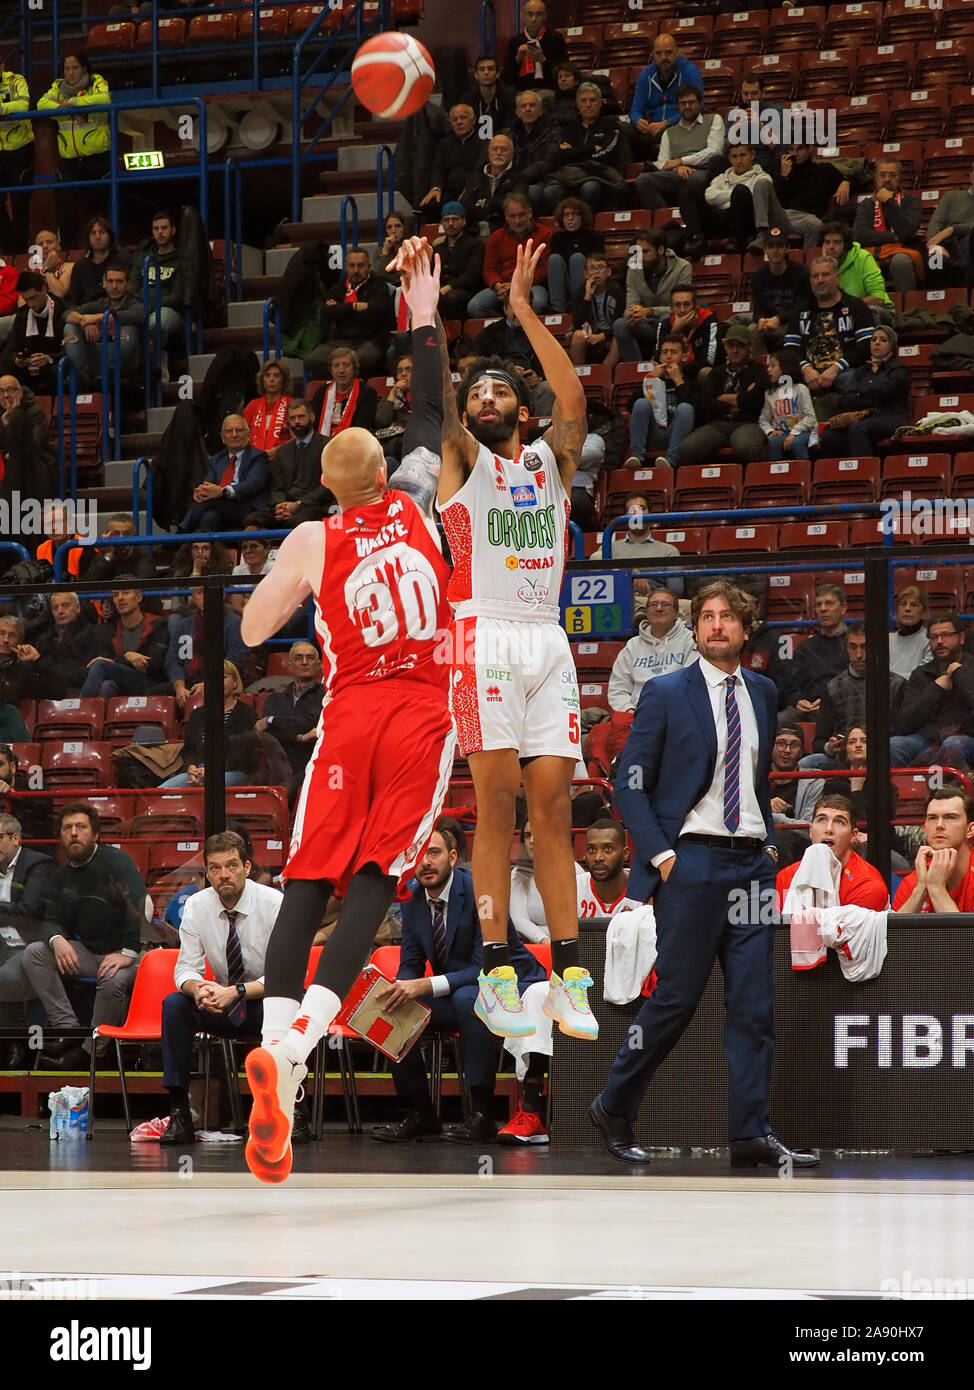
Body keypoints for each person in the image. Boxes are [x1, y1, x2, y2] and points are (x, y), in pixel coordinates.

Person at [235, 239, 457, 1184]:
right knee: (379, 877)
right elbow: (433, 413)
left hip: (346, 712)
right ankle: (294, 1051)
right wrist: (423, 317)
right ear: (387, 470)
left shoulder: (313, 536)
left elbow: (249, 632)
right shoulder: (416, 501)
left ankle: (276, 1051)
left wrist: (288, 579)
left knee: (310, 880)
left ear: (329, 483)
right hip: (420, 709)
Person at [593, 581, 818, 1170]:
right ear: (696, 631)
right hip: (691, 862)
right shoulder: (667, 691)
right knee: (675, 1001)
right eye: (707, 618)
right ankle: (614, 1103)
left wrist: (769, 842)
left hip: (750, 868)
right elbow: (629, 784)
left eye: (727, 618)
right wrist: (664, 857)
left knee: (753, 1007)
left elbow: (758, 779)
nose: (715, 626)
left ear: (747, 630)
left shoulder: (765, 692)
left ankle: (750, 1131)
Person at [437, 234, 598, 1045]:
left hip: (545, 638)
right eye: (478, 392)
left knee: (555, 812)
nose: (488, 395)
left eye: (501, 388)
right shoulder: (463, 462)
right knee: (495, 806)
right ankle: (498, 970)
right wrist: (430, 319)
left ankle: (568, 972)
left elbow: (573, 400)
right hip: (481, 636)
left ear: (519, 411)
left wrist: (526, 311)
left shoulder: (550, 463)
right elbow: (442, 394)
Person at [370, 828, 548, 1145]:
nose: (425, 862)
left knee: (470, 999)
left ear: (453, 857)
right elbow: (411, 962)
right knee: (391, 1009)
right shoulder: (411, 898)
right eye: (420, 855)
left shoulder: (481, 892)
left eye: (434, 852)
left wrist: (425, 984)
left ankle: (481, 1114)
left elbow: (487, 967)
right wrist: (401, 986)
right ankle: (421, 1113)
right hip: (456, 990)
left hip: (511, 983)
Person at [0, 802, 145, 1071]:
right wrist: (57, 940)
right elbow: (51, 919)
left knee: (112, 980)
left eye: (81, 827)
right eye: (67, 828)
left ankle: (91, 1052)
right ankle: (68, 1029)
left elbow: (140, 909)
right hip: (91, 951)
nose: (74, 833)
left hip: (134, 954)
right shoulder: (62, 874)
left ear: (96, 834)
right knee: (35, 953)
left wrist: (127, 953)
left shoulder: (116, 862)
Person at [160, 831, 282, 1145]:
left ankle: (292, 1112)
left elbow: (286, 975)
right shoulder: (197, 906)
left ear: (247, 867)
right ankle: (180, 1114)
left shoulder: (274, 904)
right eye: (215, 868)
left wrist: (238, 991)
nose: (223, 874)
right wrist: (198, 990)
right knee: (175, 1005)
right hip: (221, 1002)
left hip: (265, 1002)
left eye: (231, 866)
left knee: (292, 1005)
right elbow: (186, 968)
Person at [799, 622, 904, 773]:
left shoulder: (896, 684)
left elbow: (900, 733)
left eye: (865, 647)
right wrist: (830, 747)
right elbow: (820, 740)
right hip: (843, 757)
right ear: (846, 648)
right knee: (807, 763)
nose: (859, 654)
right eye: (853, 647)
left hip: (883, 756)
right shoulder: (833, 687)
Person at [783, 257, 874, 417]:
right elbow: (790, 349)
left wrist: (836, 368)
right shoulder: (800, 311)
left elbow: (866, 346)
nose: (820, 280)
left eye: (825, 275)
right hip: (808, 378)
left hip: (845, 374)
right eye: (815, 276)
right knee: (783, 380)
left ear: (837, 278)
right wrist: (806, 368)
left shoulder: (856, 307)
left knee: (856, 379)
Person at [37, 52, 110, 246]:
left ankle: (102, 249)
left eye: (75, 68)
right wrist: (67, 111)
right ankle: (68, 250)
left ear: (84, 68)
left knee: (98, 209)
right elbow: (41, 104)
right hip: (69, 161)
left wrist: (75, 103)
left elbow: (104, 100)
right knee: (65, 206)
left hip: (96, 158)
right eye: (67, 68)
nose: (70, 73)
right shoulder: (58, 87)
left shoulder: (96, 82)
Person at [0, 814, 55, 1069]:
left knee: (4, 978)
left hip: (31, 945)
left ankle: (17, 1043)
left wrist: (14, 911)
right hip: (2, 944)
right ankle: (13, 1043)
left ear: (15, 838)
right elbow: (17, 910)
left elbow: (29, 910)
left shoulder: (38, 863)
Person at [776, 793, 890, 911]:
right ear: (810, 831)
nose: (829, 829)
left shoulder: (868, 886)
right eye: (822, 820)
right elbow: (773, 927)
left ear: (853, 835)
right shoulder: (786, 877)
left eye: (839, 822)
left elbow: (843, 930)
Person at [892, 613, 974, 770]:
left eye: (946, 635)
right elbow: (904, 723)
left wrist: (960, 674)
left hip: (967, 737)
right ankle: (894, 794)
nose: (940, 642)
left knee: (952, 744)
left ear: (961, 638)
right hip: (928, 739)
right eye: (934, 637)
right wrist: (936, 688)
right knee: (895, 745)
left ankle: (960, 793)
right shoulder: (921, 674)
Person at [678, 324, 768, 464]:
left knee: (747, 447)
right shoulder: (716, 372)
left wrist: (724, 398)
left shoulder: (760, 370)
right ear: (725, 346)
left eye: (740, 346)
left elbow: (756, 400)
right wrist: (736, 402)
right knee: (687, 449)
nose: (735, 350)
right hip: (717, 424)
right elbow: (706, 403)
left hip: (747, 422)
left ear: (750, 346)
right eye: (731, 346)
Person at [816, 324, 910, 457]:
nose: (877, 343)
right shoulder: (862, 370)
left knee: (858, 429)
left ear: (892, 346)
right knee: (829, 436)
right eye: (874, 339)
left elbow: (881, 394)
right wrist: (862, 404)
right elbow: (847, 398)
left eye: (883, 340)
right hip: (862, 418)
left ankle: (861, 473)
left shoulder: (899, 370)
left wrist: (860, 398)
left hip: (890, 417)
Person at [160, 660, 256, 789]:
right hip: (198, 770)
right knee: (161, 792)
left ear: (235, 683)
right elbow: (189, 749)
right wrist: (192, 767)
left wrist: (212, 770)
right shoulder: (198, 714)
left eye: (223, 677)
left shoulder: (247, 713)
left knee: (209, 785)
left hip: (232, 770)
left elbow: (244, 752)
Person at [684, 145, 790, 259]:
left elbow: (752, 196)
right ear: (729, 158)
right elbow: (709, 196)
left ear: (752, 155)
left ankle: (735, 240)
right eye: (734, 156)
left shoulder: (763, 178)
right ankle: (697, 239)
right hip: (720, 219)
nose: (739, 160)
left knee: (741, 191)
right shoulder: (722, 177)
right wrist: (733, 196)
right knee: (686, 191)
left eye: (743, 155)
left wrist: (726, 196)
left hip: (744, 223)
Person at [634, 84, 724, 215]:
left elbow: (715, 151)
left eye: (691, 102)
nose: (687, 106)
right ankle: (665, 219)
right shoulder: (669, 132)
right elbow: (662, 163)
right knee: (643, 180)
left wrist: (682, 161)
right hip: (677, 173)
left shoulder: (713, 119)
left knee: (694, 180)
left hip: (705, 171)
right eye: (683, 103)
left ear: (700, 103)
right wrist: (678, 167)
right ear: (678, 106)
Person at [542, 82, 627, 216]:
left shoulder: (610, 125)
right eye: (583, 101)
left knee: (590, 188)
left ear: (600, 103)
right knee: (550, 192)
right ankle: (568, 226)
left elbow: (608, 155)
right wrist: (591, 149)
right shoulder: (569, 128)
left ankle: (586, 224)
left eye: (592, 100)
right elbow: (559, 156)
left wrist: (574, 152)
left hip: (599, 175)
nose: (588, 105)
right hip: (571, 176)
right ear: (578, 105)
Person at [608, 588, 698, 713]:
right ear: (647, 612)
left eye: (665, 604)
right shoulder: (632, 645)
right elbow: (617, 688)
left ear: (676, 612)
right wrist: (629, 711)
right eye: (654, 604)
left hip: (677, 714)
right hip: (637, 715)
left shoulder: (689, 641)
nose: (659, 608)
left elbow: (692, 684)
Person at [165, 585, 250, 713]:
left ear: (222, 595)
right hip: (188, 682)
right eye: (200, 592)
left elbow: (236, 660)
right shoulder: (182, 625)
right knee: (153, 693)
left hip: (221, 681)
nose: (205, 597)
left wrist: (209, 684)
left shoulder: (235, 623)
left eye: (209, 592)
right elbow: (172, 660)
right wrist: (179, 686)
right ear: (193, 597)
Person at [179, 413, 270, 532]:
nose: (234, 435)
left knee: (206, 504)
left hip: (247, 506)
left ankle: (180, 535)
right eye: (229, 431)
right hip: (220, 507)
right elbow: (208, 483)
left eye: (239, 430)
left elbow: (253, 484)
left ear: (248, 435)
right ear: (222, 437)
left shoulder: (258, 456)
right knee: (209, 517)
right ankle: (205, 549)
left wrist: (223, 491)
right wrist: (202, 492)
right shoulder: (217, 459)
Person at [612, 230, 692, 364]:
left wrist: (650, 311)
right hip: (647, 324)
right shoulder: (634, 269)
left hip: (674, 323)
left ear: (660, 250)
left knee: (665, 319)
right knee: (620, 324)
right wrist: (633, 314)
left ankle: (664, 363)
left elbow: (682, 308)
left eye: (646, 252)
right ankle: (636, 369)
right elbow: (630, 305)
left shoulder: (682, 267)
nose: (640, 257)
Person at [62, 259, 145, 389]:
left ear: (127, 285)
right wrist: (84, 322)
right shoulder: (100, 303)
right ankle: (80, 376)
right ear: (104, 283)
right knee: (70, 327)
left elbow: (138, 315)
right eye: (110, 281)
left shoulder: (133, 303)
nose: (114, 286)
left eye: (119, 282)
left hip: (124, 364)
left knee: (128, 328)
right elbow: (67, 314)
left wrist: (97, 318)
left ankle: (108, 375)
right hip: (97, 359)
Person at [311, 248, 393, 379]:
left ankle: (355, 389)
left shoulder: (379, 287)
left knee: (363, 359)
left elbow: (375, 315)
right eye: (352, 266)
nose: (356, 270)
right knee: (313, 360)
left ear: (369, 267)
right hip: (339, 342)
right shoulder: (338, 287)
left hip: (369, 341)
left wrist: (340, 310)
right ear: (346, 267)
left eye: (360, 266)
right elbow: (327, 314)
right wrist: (354, 306)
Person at [255, 640, 324, 797]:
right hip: (275, 764)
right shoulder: (274, 698)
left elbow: (309, 723)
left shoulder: (325, 696)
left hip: (308, 763)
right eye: (299, 658)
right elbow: (268, 734)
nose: (305, 662)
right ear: (290, 664)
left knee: (287, 789)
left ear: (319, 664)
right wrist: (301, 735)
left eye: (310, 657)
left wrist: (273, 721)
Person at [466, 192, 551, 317]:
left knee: (538, 303)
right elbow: (489, 268)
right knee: (475, 306)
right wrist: (497, 284)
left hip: (532, 285)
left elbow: (544, 270)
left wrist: (518, 285)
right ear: (506, 216)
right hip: (503, 285)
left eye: (521, 215)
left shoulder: (546, 234)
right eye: (512, 216)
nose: (517, 221)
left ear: (530, 213)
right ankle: (506, 327)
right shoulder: (497, 236)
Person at [78, 581, 169, 697]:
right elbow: (103, 662)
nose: (120, 598)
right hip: (120, 682)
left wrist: (122, 659)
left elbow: (154, 664)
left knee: (100, 665)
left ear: (139, 597)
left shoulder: (158, 624)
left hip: (150, 683)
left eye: (126, 593)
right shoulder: (108, 630)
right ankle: (91, 714)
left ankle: (79, 711)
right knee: (107, 686)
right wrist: (127, 658)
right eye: (116, 595)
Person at [776, 583, 850, 723]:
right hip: (808, 708)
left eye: (829, 603)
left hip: (842, 707)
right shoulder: (806, 646)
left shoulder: (854, 644)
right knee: (777, 722)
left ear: (843, 608)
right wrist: (798, 701)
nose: (823, 609)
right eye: (818, 604)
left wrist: (829, 703)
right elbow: (792, 684)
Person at [623, 332, 698, 469]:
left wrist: (678, 380)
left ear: (684, 357)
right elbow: (630, 406)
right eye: (665, 352)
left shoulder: (691, 381)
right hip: (654, 433)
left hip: (679, 436)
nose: (668, 356)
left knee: (685, 408)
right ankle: (636, 456)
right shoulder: (653, 380)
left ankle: (671, 460)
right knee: (641, 403)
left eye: (673, 352)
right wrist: (650, 380)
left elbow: (697, 409)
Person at [894, 788, 974, 912]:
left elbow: (962, 933)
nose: (939, 825)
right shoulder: (913, 883)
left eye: (950, 817)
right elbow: (897, 932)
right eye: (932, 818)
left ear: (970, 830)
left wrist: (937, 889)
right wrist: (921, 889)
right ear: (925, 828)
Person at [629, 32, 705, 162]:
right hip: (653, 130)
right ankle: (630, 172)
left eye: (668, 52)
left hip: (680, 126)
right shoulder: (645, 75)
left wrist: (666, 123)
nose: (664, 57)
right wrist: (638, 121)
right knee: (620, 129)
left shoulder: (690, 71)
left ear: (677, 52)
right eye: (659, 53)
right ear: (653, 54)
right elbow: (636, 109)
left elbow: (699, 106)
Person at [853, 156, 923, 294]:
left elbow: (906, 232)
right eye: (882, 175)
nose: (887, 179)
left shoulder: (911, 201)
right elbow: (860, 235)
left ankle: (907, 311)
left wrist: (890, 202)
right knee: (854, 261)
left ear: (900, 178)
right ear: (875, 178)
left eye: (892, 175)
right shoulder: (866, 204)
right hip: (872, 253)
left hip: (902, 252)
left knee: (901, 262)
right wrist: (893, 237)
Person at [774, 142, 851, 253]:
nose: (795, 153)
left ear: (810, 148)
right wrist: (784, 177)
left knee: (815, 224)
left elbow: (859, 181)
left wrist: (846, 182)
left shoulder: (824, 169)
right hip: (785, 215)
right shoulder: (784, 170)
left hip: (809, 218)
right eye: (791, 149)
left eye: (800, 148)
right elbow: (777, 200)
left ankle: (808, 263)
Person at [127, 209, 183, 360]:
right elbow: (132, 286)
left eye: (164, 228)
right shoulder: (143, 257)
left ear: (173, 230)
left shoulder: (180, 259)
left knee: (155, 324)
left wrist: (150, 304)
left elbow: (176, 297)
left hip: (168, 309)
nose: (160, 232)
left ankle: (157, 360)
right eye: (156, 229)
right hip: (140, 306)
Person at [420, 104, 487, 220]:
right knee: (429, 204)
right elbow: (438, 169)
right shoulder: (444, 144)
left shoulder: (483, 143)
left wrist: (469, 191)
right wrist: (436, 188)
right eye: (455, 119)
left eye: (463, 118)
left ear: (473, 120)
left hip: (473, 190)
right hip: (449, 191)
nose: (459, 122)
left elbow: (480, 170)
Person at [2, 271, 65, 394]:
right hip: (30, 368)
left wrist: (49, 358)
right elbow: (11, 349)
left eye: (33, 298)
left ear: (44, 289)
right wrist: (17, 360)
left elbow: (70, 351)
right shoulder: (23, 315)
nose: (30, 304)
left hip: (54, 365)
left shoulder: (61, 310)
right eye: (26, 300)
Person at [0, 374, 57, 508]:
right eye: (1, 391)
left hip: (35, 462)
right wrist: (3, 422)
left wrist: (11, 423)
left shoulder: (36, 412)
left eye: (11, 390)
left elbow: (33, 444)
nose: (6, 395)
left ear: (20, 392)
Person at [750, 228, 812, 349]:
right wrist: (760, 319)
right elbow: (758, 309)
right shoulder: (758, 276)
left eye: (779, 246)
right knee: (752, 330)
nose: (775, 251)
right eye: (771, 246)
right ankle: (761, 366)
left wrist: (779, 318)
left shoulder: (801, 273)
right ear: (765, 249)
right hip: (769, 323)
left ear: (787, 248)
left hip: (793, 321)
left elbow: (804, 306)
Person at [544, 197, 604, 315]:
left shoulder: (595, 236)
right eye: (566, 215)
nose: (570, 218)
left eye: (575, 214)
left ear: (582, 217)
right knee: (554, 259)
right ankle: (557, 309)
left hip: (589, 284)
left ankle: (579, 306)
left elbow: (599, 263)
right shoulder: (557, 237)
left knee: (577, 259)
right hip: (565, 285)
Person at [820, 221, 891, 316]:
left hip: (874, 310)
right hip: (843, 314)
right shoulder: (823, 265)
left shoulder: (863, 258)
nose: (831, 247)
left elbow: (878, 298)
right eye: (827, 242)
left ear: (845, 245)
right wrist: (829, 266)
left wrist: (847, 307)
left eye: (837, 242)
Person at [308, 345, 379, 441]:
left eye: (346, 365)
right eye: (336, 366)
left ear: (354, 369)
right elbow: (314, 426)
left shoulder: (367, 393)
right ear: (331, 370)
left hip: (353, 443)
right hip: (322, 445)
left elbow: (362, 428)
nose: (341, 370)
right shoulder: (321, 392)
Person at [507, 90, 562, 211]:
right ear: (517, 112)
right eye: (523, 106)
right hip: (515, 179)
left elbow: (550, 161)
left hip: (545, 179)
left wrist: (525, 174)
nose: (528, 109)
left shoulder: (553, 131)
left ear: (541, 110)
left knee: (532, 192)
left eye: (532, 105)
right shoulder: (509, 134)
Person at [431, 202, 486, 321]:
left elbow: (472, 275)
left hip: (465, 290)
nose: (450, 224)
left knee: (452, 297)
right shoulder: (438, 248)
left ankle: (455, 335)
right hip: (441, 289)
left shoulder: (475, 245)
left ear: (464, 221)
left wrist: (449, 287)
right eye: (446, 220)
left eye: (455, 219)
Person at [500, 0, 568, 96]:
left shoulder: (556, 39)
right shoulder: (515, 42)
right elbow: (505, 80)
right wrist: (517, 59)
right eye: (530, 14)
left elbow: (564, 74)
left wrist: (543, 60)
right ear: (523, 16)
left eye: (538, 15)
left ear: (545, 16)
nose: (534, 19)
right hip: (522, 92)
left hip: (548, 91)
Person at [576, 819, 642, 918]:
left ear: (625, 853)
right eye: (592, 849)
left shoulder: (645, 889)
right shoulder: (574, 889)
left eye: (608, 849)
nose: (598, 858)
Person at [759, 347, 816, 461]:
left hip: (802, 431)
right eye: (768, 366)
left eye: (773, 366)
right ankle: (777, 474)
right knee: (774, 441)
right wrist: (770, 431)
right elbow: (763, 419)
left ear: (786, 368)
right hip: (783, 432)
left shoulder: (800, 389)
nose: (768, 370)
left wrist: (794, 433)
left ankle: (803, 471)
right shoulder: (769, 393)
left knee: (796, 442)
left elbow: (810, 418)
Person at [567, 251, 623, 369]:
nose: (596, 272)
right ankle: (579, 377)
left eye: (601, 268)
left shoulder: (616, 290)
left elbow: (620, 321)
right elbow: (577, 324)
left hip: (610, 334)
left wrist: (603, 335)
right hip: (589, 332)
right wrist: (587, 297)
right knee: (578, 336)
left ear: (608, 272)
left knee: (619, 341)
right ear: (586, 274)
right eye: (592, 268)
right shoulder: (581, 292)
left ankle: (603, 374)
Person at [0, 57, 32, 254]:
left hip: (20, 149)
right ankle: (6, 248)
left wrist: (2, 109)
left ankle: (19, 251)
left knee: (21, 202)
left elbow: (23, 105)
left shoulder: (16, 80)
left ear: (2, 66)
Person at [925, 160, 974, 282]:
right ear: (971, 175)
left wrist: (952, 229)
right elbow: (935, 224)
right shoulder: (951, 196)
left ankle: (965, 296)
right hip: (948, 246)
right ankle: (937, 298)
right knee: (935, 260)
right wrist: (935, 246)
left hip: (970, 249)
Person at [65, 215, 128, 310]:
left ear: (110, 236)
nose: (97, 237)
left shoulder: (121, 262)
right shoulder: (80, 266)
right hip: (84, 315)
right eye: (93, 233)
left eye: (102, 232)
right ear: (88, 238)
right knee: (69, 324)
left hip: (114, 313)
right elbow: (72, 300)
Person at [459, 53, 516, 141]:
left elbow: (510, 126)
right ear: (476, 75)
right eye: (482, 69)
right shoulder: (467, 99)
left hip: (501, 143)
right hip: (476, 145)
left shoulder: (508, 96)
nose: (486, 73)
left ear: (497, 74)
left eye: (490, 69)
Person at [242, 360, 293, 457]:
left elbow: (296, 439)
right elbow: (243, 437)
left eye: (276, 376)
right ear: (262, 380)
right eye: (267, 375)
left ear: (283, 381)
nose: (271, 379)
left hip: (283, 457)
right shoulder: (252, 406)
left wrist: (275, 451)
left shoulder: (291, 404)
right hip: (254, 458)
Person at [889, 586, 931, 681]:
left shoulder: (929, 640)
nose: (907, 608)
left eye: (914, 605)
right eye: (903, 604)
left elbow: (921, 677)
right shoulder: (888, 640)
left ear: (924, 612)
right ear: (897, 611)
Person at [33, 229, 74, 303]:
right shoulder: (32, 272)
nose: (45, 246)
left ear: (58, 246)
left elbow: (59, 293)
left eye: (49, 242)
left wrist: (48, 269)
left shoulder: (68, 267)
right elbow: (22, 302)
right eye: (40, 244)